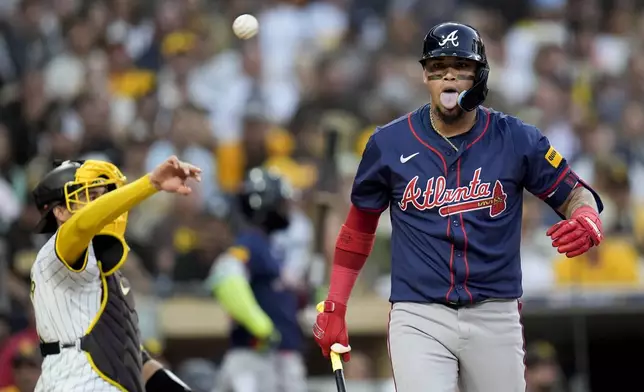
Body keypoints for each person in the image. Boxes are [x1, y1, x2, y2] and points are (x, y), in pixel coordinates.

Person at [312, 22, 604, 392]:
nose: (448, 75)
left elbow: (575, 192)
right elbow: (358, 227)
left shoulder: (517, 138)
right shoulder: (388, 142)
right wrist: (336, 303)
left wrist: (586, 214)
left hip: (494, 311)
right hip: (419, 313)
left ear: (480, 76)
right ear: (425, 75)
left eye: (460, 66)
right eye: (437, 67)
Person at [30, 157, 198, 391]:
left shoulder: (107, 277)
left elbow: (132, 358)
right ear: (60, 211)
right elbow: (81, 225)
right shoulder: (57, 251)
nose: (104, 203)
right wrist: (149, 184)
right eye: (91, 195)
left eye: (104, 194)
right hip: (73, 379)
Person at [208, 168, 306, 392]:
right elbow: (225, 274)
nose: (286, 208)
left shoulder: (268, 246)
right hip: (256, 356)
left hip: (276, 356)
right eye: (282, 202)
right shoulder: (251, 243)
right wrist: (259, 325)